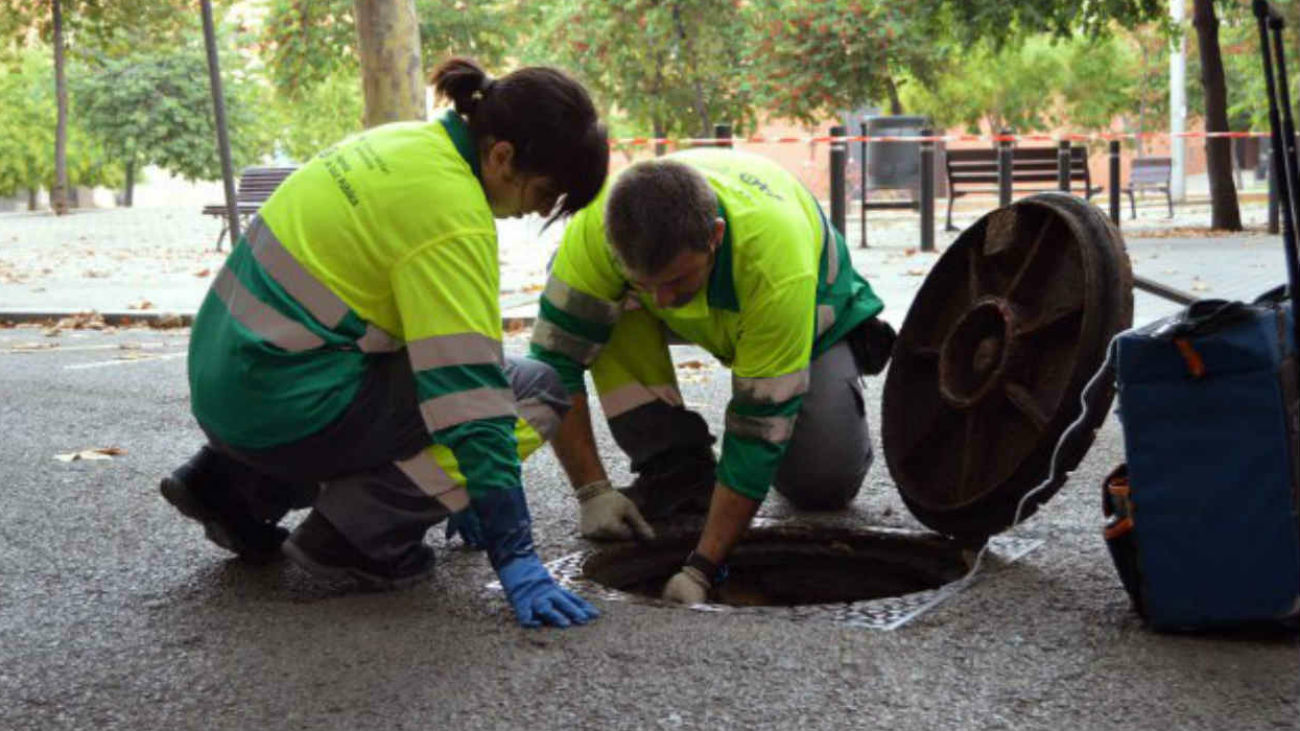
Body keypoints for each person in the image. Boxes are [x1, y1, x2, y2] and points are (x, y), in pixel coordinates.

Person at [160, 57, 606, 629]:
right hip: (285, 407)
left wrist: (462, 489)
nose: (540, 212)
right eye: (546, 194)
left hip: (226, 388)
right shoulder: (451, 214)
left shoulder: (401, 144)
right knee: (535, 391)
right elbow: (471, 401)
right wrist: (514, 552)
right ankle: (356, 536)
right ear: (502, 156)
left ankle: (229, 488)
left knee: (384, 355)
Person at [529, 148, 890, 604]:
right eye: (645, 283)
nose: (662, 299)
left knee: (822, 484)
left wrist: (702, 568)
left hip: (806, 316)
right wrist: (591, 490)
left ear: (715, 236)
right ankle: (675, 464)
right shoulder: (597, 230)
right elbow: (553, 364)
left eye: (677, 280)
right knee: (593, 305)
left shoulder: (775, 262)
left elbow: (758, 428)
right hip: (713, 296)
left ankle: (836, 384)